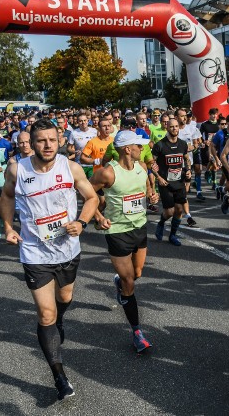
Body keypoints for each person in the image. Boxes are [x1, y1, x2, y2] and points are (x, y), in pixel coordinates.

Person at [0, 119, 98, 401]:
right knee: (46, 314)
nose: (47, 145)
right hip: (34, 251)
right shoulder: (18, 169)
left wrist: (82, 222)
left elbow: (91, 198)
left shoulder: (71, 167)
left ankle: (59, 321)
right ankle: (59, 377)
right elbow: (6, 197)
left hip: (67, 249)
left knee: (64, 299)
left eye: (52, 140)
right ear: (32, 142)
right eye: (41, 140)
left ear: (60, 140)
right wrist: (7, 227)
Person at [90, 130, 159, 352]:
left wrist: (151, 195)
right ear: (128, 149)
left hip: (139, 228)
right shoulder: (108, 174)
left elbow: (146, 188)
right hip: (117, 232)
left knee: (136, 274)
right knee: (130, 281)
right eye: (139, 146)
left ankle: (120, 284)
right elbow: (86, 192)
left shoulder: (141, 167)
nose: (142, 149)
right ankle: (137, 332)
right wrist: (99, 216)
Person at [152, 119, 192, 246]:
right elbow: (151, 163)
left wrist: (189, 170)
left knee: (179, 210)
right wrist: (158, 177)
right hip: (165, 182)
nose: (175, 129)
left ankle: (173, 235)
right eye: (172, 127)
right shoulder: (160, 145)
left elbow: (186, 159)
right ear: (167, 127)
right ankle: (161, 223)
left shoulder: (182, 144)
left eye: (176, 126)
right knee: (169, 211)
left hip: (179, 181)